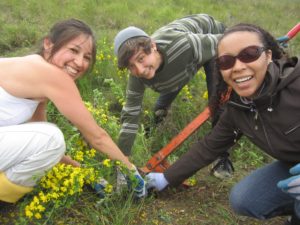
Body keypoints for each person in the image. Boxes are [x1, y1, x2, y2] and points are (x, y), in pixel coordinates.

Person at [145, 23, 300, 224]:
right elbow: (209, 147)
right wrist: (164, 179)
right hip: (292, 166)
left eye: (250, 54)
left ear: (268, 55)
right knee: (243, 199)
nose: (237, 67)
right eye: (226, 61)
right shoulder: (238, 107)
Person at [0, 18, 146, 204]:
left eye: (87, 57)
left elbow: (41, 149)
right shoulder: (51, 76)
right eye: (73, 50)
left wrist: (84, 172)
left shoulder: (35, 75)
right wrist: (131, 170)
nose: (79, 62)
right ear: (48, 44)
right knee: (52, 138)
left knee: (48, 139)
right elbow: (96, 137)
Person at [114, 13, 234, 178]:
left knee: (217, 101)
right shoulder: (138, 75)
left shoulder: (185, 45)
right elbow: (130, 113)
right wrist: (122, 162)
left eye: (141, 59)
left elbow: (230, 42)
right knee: (160, 108)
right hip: (177, 63)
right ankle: (153, 130)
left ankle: (222, 158)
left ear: (153, 46)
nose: (139, 70)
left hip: (212, 39)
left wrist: (259, 44)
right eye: (131, 66)